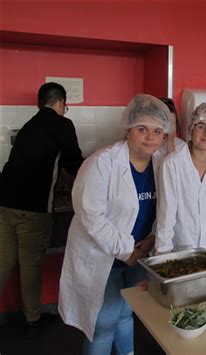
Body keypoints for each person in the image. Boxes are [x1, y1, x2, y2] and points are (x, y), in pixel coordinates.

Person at [58, 94, 171, 354]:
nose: (150, 137)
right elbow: (91, 216)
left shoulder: (160, 164)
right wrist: (127, 250)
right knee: (104, 321)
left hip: (140, 254)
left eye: (157, 131)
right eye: (142, 129)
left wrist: (151, 240)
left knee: (125, 312)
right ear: (128, 129)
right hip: (104, 256)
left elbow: (164, 210)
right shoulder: (102, 163)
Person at [0, 82, 83, 330]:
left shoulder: (28, 126)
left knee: (2, 263)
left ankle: (31, 317)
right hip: (33, 209)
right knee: (31, 265)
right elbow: (73, 163)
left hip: (4, 204)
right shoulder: (62, 124)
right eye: (65, 106)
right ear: (60, 103)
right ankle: (33, 319)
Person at [156, 103, 206, 260]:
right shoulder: (172, 163)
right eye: (201, 126)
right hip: (177, 254)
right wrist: (163, 260)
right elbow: (166, 216)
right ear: (191, 128)